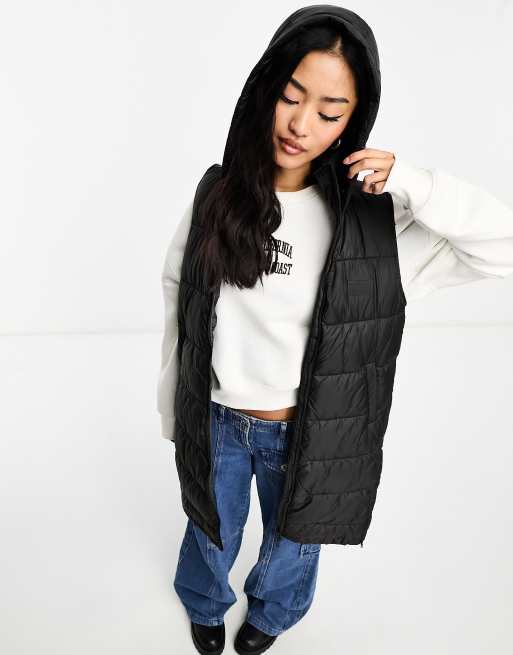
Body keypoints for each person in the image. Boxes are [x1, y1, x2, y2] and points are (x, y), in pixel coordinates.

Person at [157, 6, 513, 655]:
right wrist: (170, 406)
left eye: (329, 111)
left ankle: (273, 614)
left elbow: (502, 245)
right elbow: (178, 298)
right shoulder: (217, 196)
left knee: (295, 539)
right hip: (216, 417)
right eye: (291, 96)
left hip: (308, 429)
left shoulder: (371, 228)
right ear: (265, 89)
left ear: (354, 119)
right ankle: (204, 603)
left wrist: (413, 181)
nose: (301, 124)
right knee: (210, 528)